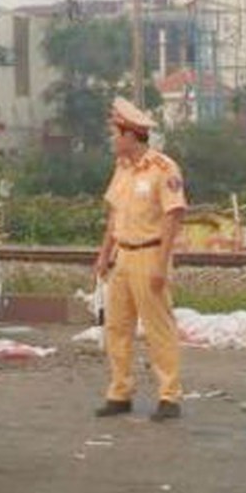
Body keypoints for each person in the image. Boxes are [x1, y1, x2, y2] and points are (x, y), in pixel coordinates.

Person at [92, 98, 188, 422]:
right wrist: (104, 256)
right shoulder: (122, 169)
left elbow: (173, 217)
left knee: (158, 329)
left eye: (115, 134)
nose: (112, 140)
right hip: (123, 256)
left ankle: (169, 396)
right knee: (116, 328)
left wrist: (161, 265)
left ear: (131, 136)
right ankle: (120, 393)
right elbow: (114, 215)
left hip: (150, 254)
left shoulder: (164, 168)